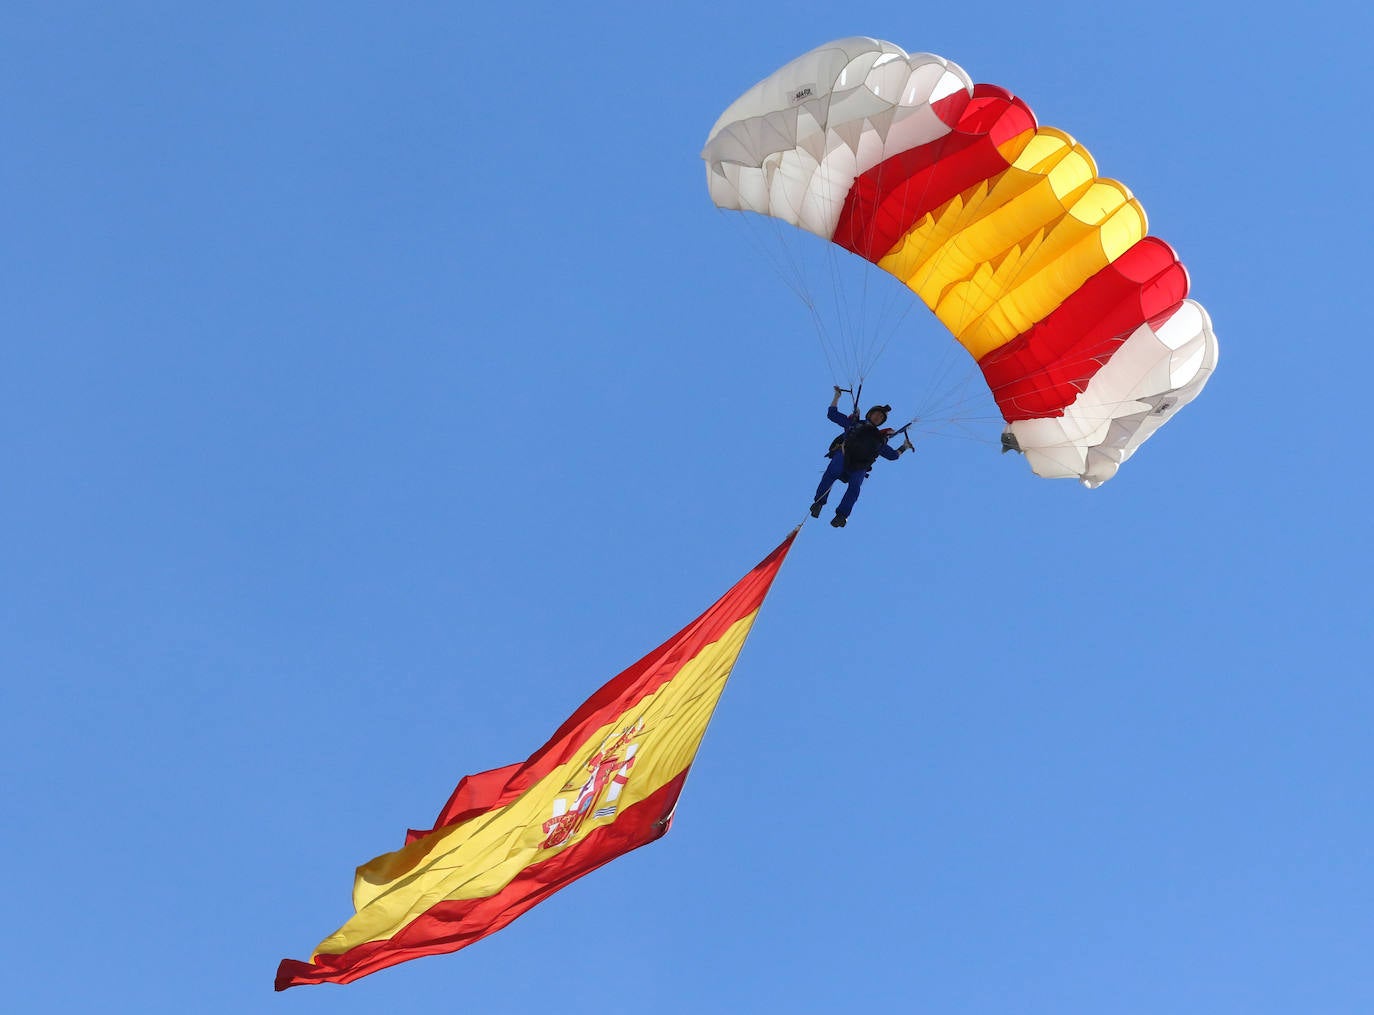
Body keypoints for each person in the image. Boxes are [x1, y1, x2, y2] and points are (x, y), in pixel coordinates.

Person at [810, 386, 913, 528]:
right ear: (869, 414)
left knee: (855, 488)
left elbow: (893, 455)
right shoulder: (855, 424)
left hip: (860, 466)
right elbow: (832, 414)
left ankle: (841, 516)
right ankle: (819, 503)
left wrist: (904, 447)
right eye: (876, 414)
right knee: (832, 473)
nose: (878, 417)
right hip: (845, 455)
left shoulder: (879, 439)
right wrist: (836, 397)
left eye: (881, 417)